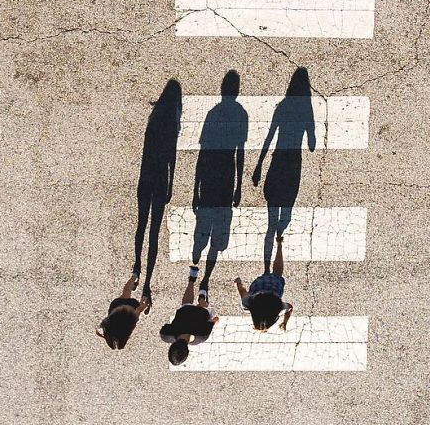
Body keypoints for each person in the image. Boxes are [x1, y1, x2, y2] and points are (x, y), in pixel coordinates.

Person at [189, 70, 247, 294]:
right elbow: (239, 152)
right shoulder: (241, 114)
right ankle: (206, 279)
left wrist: (195, 189)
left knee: (203, 225)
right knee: (218, 233)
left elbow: (202, 153)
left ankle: (196, 262)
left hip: (209, 176)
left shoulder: (213, 113)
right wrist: (239, 186)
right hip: (226, 177)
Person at [252, 67, 315, 270]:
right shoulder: (306, 110)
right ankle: (280, 239)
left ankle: (266, 267)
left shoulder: (282, 106)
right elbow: (312, 145)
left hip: (277, 163)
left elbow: (269, 136)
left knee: (271, 219)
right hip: (293, 166)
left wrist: (259, 165)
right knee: (285, 214)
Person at [133, 79, 182, 312]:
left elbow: (144, 155)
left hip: (146, 179)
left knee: (141, 226)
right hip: (160, 181)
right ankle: (147, 282)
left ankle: (136, 265)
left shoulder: (151, 126)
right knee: (153, 233)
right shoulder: (171, 130)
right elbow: (172, 160)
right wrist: (171, 185)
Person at [160, 265, 219, 366]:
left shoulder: (201, 337)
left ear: (187, 352)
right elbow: (166, 326)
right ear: (171, 347)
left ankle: (202, 296)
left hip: (202, 313)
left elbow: (214, 320)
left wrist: (215, 321)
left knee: (205, 309)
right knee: (186, 303)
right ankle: (192, 278)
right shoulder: (166, 335)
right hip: (185, 311)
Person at [234, 235, 293, 332]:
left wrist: (285, 322)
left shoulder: (279, 309)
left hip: (274, 287)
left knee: (277, 272)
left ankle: (279, 246)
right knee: (266, 276)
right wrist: (238, 283)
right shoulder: (248, 305)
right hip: (258, 285)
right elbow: (243, 292)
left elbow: (290, 308)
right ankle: (266, 270)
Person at [96, 273, 150, 349]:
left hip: (129, 307)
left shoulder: (128, 325)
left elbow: (138, 311)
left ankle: (144, 295)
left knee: (133, 299)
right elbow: (137, 312)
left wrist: (144, 305)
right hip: (119, 305)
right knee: (126, 291)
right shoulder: (111, 322)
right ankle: (134, 277)